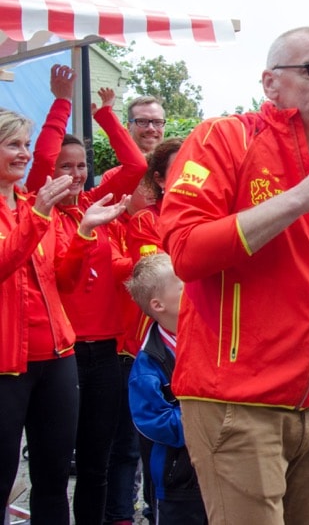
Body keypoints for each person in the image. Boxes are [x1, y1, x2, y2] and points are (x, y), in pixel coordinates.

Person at [158, 26, 309, 524]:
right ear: (270, 83)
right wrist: (297, 199)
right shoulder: (225, 139)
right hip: (237, 402)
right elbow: (186, 251)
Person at [0, 98, 128, 525]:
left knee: (53, 480)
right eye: (13, 145)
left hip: (57, 356)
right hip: (7, 363)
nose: (24, 153)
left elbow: (63, 279)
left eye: (26, 144)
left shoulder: (32, 205)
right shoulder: (38, 208)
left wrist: (86, 231)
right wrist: (39, 215)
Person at [27, 76, 147, 525]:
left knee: (97, 465)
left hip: (106, 351)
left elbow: (135, 165)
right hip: (63, 355)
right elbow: (41, 159)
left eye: (81, 166)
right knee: (55, 469)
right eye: (66, 166)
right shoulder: (39, 211)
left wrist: (106, 115)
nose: (75, 175)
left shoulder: (92, 205)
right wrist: (61, 104)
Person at [104, 94, 170, 525]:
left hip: (171, 326)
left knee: (162, 431)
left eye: (157, 122)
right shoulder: (118, 178)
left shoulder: (178, 186)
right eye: (142, 122)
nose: (151, 129)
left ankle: (157, 504)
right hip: (127, 327)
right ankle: (121, 511)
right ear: (129, 126)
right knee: (126, 436)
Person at [126, 253, 207, 524]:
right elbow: (155, 422)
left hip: (220, 468)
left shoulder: (210, 333)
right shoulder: (148, 364)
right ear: (158, 305)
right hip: (177, 483)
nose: (192, 288)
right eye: (182, 285)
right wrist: (206, 414)